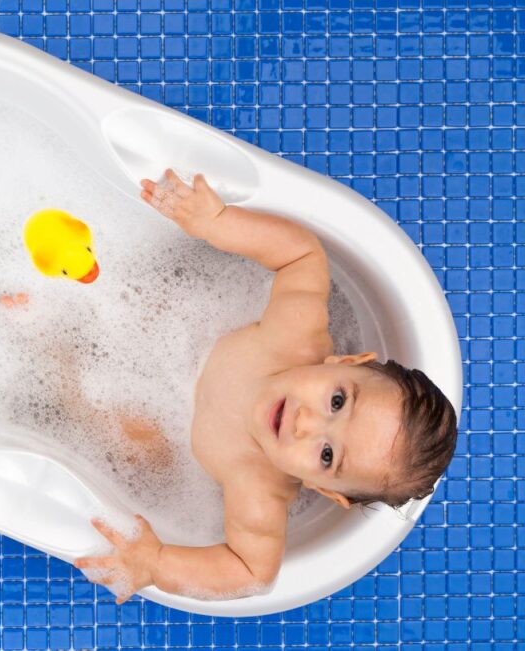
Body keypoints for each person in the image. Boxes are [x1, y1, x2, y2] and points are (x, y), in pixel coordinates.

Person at [73, 170, 459, 602]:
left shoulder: (259, 489)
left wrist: (156, 564)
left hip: (160, 424)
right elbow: (302, 255)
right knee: (149, 306)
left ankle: (56, 351)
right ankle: (73, 304)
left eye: (327, 454)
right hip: (173, 340)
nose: (306, 423)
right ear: (346, 362)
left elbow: (252, 573)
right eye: (337, 400)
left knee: (132, 435)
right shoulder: (294, 338)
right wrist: (217, 223)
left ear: (325, 489)